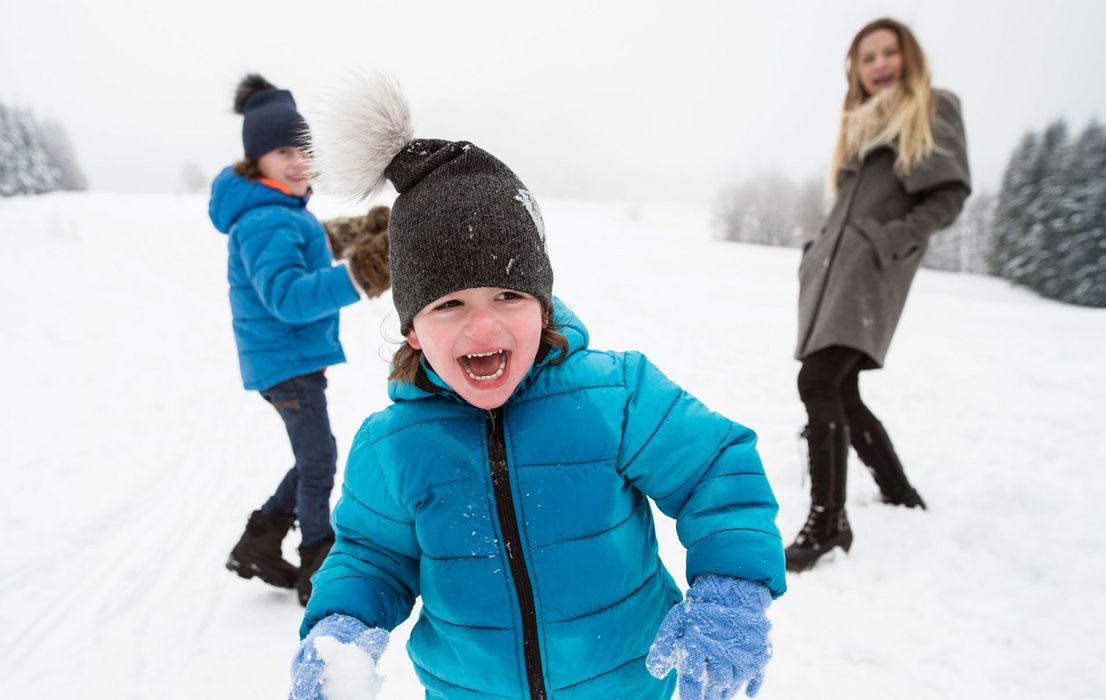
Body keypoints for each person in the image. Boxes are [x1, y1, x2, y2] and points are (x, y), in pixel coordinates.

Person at [286, 74, 786, 700]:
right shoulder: (392, 446)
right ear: (412, 329)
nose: (483, 324)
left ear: (543, 309)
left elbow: (716, 469)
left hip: (630, 686)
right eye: (449, 305)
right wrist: (342, 626)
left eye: (509, 295)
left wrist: (730, 591)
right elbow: (372, 557)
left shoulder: (617, 396)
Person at [789, 18, 971, 572]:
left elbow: (948, 194)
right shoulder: (858, 124)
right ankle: (898, 492)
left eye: (890, 53)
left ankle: (829, 523)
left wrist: (883, 241)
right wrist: (818, 248)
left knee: (818, 379)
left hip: (868, 273)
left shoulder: (931, 108)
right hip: (832, 273)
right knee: (841, 390)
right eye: (868, 58)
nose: (880, 65)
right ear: (856, 70)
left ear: (908, 57)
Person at [208, 74, 390, 605]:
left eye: (304, 150)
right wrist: (365, 272)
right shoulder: (267, 220)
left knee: (316, 455)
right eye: (284, 151)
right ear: (256, 159)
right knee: (318, 463)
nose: (297, 162)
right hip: (286, 363)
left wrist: (364, 232)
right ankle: (318, 563)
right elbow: (286, 296)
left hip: (288, 362)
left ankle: (260, 541)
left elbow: (311, 244)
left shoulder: (277, 212)